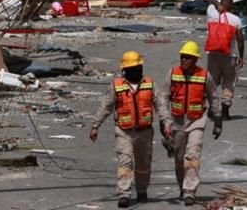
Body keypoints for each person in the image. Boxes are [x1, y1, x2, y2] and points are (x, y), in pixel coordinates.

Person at [90, 51, 170, 208]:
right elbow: (106, 107)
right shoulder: (117, 86)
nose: (136, 71)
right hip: (123, 132)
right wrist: (95, 125)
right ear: (125, 70)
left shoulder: (150, 84)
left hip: (145, 132)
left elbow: (160, 105)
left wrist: (166, 122)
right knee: (125, 161)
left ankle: (141, 190)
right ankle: (124, 194)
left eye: (138, 67)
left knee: (143, 164)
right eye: (132, 68)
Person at [159, 41, 222, 206]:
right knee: (179, 158)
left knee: (192, 156)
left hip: (197, 121)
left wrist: (218, 120)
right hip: (177, 121)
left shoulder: (204, 76)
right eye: (182, 57)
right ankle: (182, 186)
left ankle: (190, 191)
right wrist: (164, 120)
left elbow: (214, 97)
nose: (184, 60)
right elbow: (163, 97)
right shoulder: (172, 73)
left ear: (195, 60)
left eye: (188, 58)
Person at [204, 0, 245, 120]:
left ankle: (213, 109)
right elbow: (240, 40)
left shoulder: (211, 14)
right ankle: (225, 110)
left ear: (221, 4)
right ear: (231, 6)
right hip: (229, 56)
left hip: (213, 55)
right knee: (228, 83)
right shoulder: (236, 20)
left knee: (212, 83)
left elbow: (210, 1)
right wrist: (241, 56)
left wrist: (216, 2)